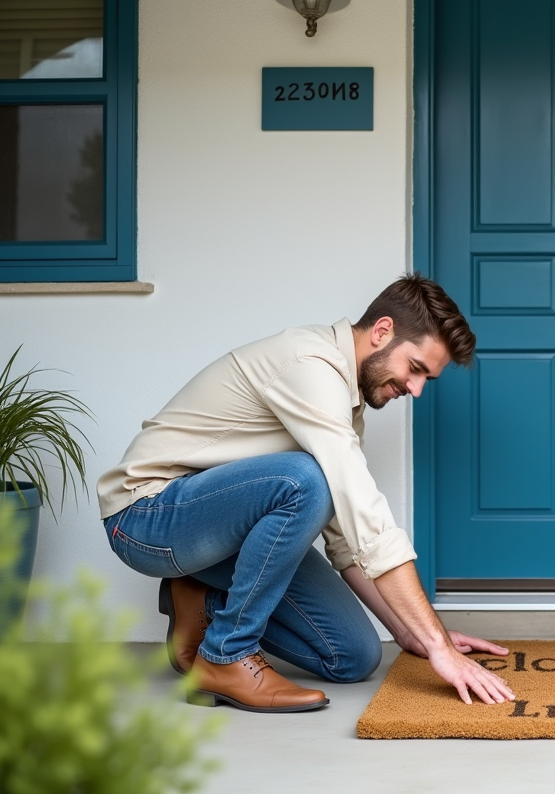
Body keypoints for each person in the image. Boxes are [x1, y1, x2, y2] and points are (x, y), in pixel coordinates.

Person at [97, 273, 516, 713]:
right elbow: (365, 518)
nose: (415, 389)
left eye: (427, 379)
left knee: (354, 656)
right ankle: (226, 654)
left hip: (217, 533)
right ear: (382, 331)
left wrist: (411, 632)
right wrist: (439, 647)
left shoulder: (345, 405)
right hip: (145, 516)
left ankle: (203, 594)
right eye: (414, 369)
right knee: (307, 479)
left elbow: (345, 541)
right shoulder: (309, 366)